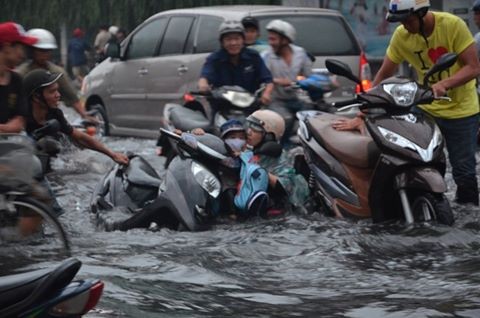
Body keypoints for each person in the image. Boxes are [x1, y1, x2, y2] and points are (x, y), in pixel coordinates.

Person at [334, 0, 480, 206]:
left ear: (422, 14)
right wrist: (363, 113)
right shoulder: (402, 35)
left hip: (461, 111)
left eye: (408, 21)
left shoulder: (453, 25)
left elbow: (474, 67)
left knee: (464, 173)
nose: (404, 27)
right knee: (408, 158)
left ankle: (470, 222)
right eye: (400, 22)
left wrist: (444, 84)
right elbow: (384, 73)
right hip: (425, 108)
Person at [23, 69, 129, 165]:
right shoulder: (22, 115)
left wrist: (112, 154)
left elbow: (81, 138)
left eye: (57, 90)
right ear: (36, 97)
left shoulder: (55, 114)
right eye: (52, 92)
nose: (58, 95)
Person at [16, 28, 96, 123]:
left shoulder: (57, 72)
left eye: (48, 50)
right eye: (41, 50)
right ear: (31, 51)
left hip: (50, 119)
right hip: (25, 120)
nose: (45, 54)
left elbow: (71, 96)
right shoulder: (20, 73)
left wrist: (84, 115)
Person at [244, 109, 309, 211]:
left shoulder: (282, 158)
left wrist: (257, 170)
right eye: (249, 126)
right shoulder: (246, 150)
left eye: (255, 129)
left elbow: (286, 186)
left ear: (268, 136)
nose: (249, 132)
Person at [197, 20, 273, 106]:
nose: (233, 43)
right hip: (222, 107)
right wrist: (203, 85)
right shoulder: (215, 59)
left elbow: (268, 80)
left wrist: (266, 93)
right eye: (228, 39)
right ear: (222, 42)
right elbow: (205, 75)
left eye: (237, 39)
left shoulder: (253, 56)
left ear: (243, 40)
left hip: (249, 107)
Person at [261, 19, 312, 145]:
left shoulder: (301, 53)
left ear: (285, 40)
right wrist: (277, 81)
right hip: (276, 99)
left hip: (298, 98)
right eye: (270, 39)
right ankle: (282, 147)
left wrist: (301, 82)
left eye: (274, 39)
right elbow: (262, 78)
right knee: (285, 120)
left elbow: (309, 76)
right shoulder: (266, 56)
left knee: (311, 119)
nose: (270, 43)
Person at [0, 22, 36, 133]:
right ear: (7, 47)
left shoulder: (16, 80)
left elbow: (19, 122)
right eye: (21, 48)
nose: (23, 55)